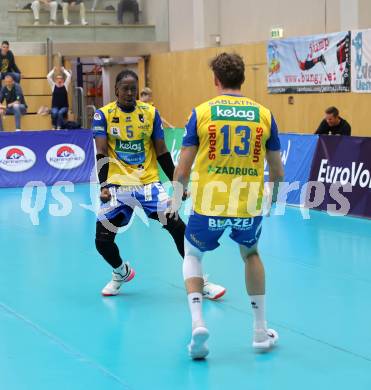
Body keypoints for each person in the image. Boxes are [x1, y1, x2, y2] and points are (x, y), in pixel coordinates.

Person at [170, 52, 284, 359]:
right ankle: (260, 332)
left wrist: (176, 195)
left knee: (193, 255)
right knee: (251, 254)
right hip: (248, 202)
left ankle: (197, 324)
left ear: (216, 80)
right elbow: (278, 171)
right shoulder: (264, 114)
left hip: (209, 202)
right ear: (243, 78)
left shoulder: (202, 112)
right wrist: (273, 199)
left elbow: (182, 167)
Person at [92, 69, 226, 300]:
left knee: (178, 227)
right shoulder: (103, 115)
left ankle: (201, 281)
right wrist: (104, 186)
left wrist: (178, 184)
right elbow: (101, 151)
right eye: (125, 88)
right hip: (118, 185)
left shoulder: (151, 114)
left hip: (148, 184)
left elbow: (162, 152)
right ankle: (120, 272)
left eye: (134, 88)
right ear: (116, 90)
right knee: (102, 240)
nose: (130, 93)